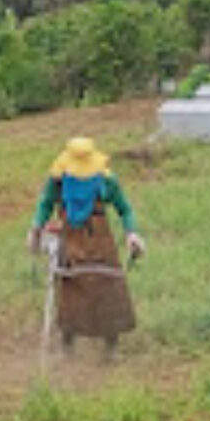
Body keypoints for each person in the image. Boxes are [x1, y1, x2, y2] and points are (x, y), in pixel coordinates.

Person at [27, 137, 146, 358]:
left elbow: (124, 209)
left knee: (109, 287)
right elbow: (45, 204)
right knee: (71, 288)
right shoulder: (58, 180)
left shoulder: (106, 180)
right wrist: (35, 230)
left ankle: (111, 347)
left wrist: (132, 234)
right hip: (70, 238)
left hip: (101, 240)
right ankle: (67, 346)